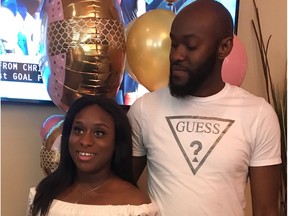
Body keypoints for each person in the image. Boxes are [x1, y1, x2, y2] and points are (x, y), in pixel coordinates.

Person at [127, 0, 282, 215]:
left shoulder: (259, 115)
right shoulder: (144, 109)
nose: (176, 55)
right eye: (174, 44)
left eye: (190, 46)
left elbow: (266, 210)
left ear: (224, 47)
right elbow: (118, 189)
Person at [27, 95, 160, 216]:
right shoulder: (44, 192)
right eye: (78, 130)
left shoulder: (135, 206)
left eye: (99, 133)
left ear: (117, 141)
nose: (85, 141)